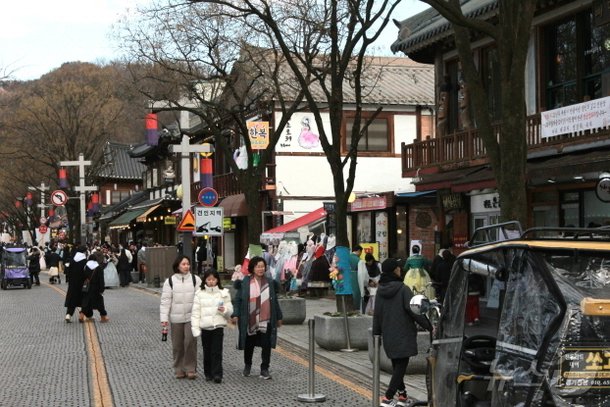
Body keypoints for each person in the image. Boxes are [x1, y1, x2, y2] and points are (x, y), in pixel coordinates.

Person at [373, 258, 432, 407]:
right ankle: (388, 397)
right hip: (403, 334)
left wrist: (376, 334)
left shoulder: (380, 290)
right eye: (398, 268)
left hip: (388, 335)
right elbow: (415, 311)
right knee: (400, 367)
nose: (400, 269)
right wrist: (429, 326)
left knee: (397, 365)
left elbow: (377, 314)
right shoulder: (403, 289)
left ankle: (403, 395)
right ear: (395, 270)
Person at [231, 256, 283, 380]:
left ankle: (264, 368)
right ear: (252, 268)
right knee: (249, 344)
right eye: (258, 266)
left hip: (266, 319)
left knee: (266, 344)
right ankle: (247, 365)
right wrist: (235, 314)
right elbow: (238, 300)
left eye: (262, 266)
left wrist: (279, 316)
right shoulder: (245, 282)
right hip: (250, 319)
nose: (260, 269)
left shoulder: (269, 282)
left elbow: (274, 301)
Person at [160, 255, 202, 379]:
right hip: (176, 318)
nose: (186, 266)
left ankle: (190, 368)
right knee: (177, 345)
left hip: (191, 317)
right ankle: (178, 368)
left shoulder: (196, 279)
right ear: (178, 266)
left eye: (188, 264)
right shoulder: (170, 281)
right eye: (183, 264)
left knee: (190, 342)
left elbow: (201, 298)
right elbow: (165, 301)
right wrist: (164, 319)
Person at [191, 269, 233, 383]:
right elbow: (195, 312)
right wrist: (195, 328)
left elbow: (230, 310)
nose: (211, 282)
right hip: (205, 327)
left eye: (213, 279)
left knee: (217, 351)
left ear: (217, 280)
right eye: (209, 279)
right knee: (207, 350)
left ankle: (217, 374)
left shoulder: (223, 292)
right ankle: (208, 373)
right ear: (205, 280)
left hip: (218, 326)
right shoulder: (199, 293)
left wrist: (225, 310)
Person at [80, 251, 110, 323]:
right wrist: (102, 289)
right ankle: (103, 316)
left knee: (86, 301)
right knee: (99, 302)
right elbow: (101, 279)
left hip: (87, 287)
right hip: (96, 287)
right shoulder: (98, 267)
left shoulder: (85, 267)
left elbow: (82, 277)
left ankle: (81, 315)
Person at [64, 246, 88, 323]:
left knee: (72, 299)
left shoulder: (72, 260)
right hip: (82, 283)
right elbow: (87, 272)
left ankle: (68, 314)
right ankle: (82, 315)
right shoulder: (85, 261)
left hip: (72, 283)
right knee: (83, 299)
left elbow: (67, 271)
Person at [349, 244, 363, 309]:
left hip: (346, 278)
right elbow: (362, 274)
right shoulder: (359, 260)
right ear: (359, 251)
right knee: (356, 294)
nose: (360, 254)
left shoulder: (347, 257)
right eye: (361, 252)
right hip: (355, 278)